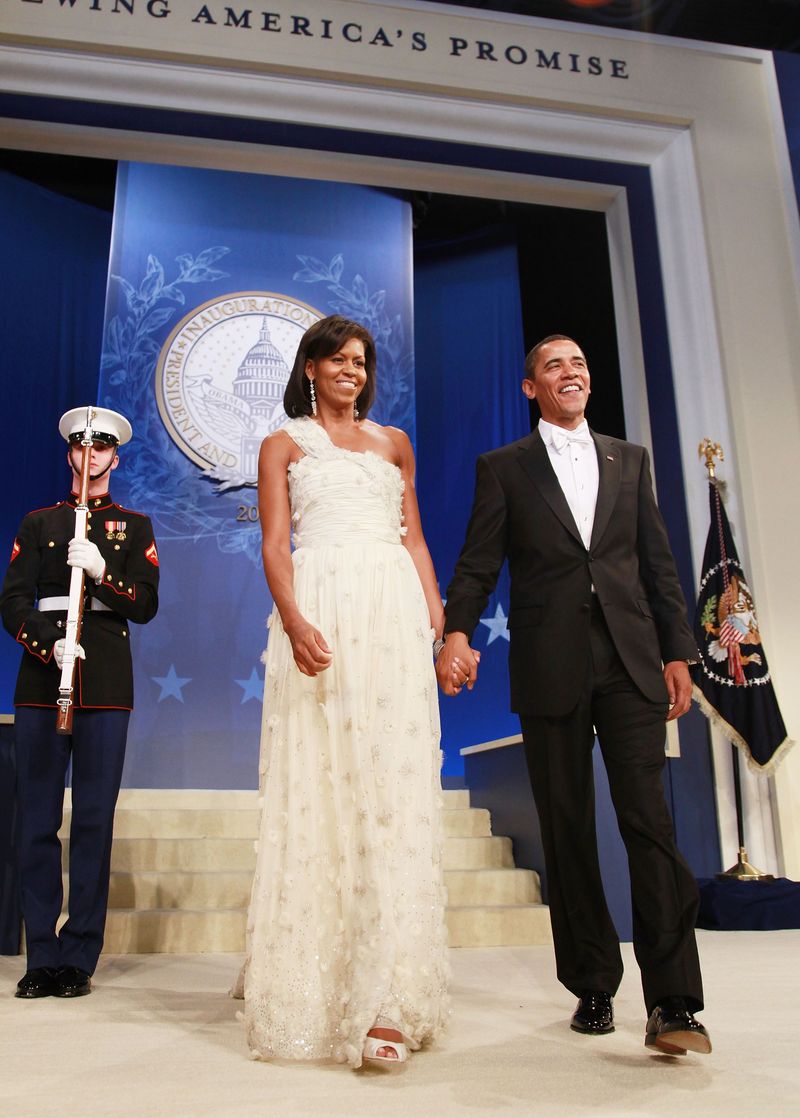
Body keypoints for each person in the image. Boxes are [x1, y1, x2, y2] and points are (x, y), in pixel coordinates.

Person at [436, 335, 711, 1057]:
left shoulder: (631, 460)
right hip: (550, 663)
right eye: (555, 365)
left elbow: (658, 564)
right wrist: (458, 634)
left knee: (649, 823)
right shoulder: (504, 468)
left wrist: (678, 651)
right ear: (531, 387)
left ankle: (675, 1002)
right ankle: (592, 982)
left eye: (581, 363)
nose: (572, 372)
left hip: (631, 660)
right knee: (567, 826)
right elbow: (477, 562)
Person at [233, 315, 449, 1068]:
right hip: (322, 601)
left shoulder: (394, 443)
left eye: (362, 361)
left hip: (391, 612)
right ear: (311, 368)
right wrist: (293, 619)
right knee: (324, 787)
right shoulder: (284, 445)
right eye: (339, 360)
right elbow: (274, 541)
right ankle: (318, 988)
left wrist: (439, 625)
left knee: (392, 791)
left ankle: (391, 993)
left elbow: (414, 537)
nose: (353, 371)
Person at [1, 407, 159, 999]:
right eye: (80, 448)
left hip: (106, 683)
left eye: (101, 450)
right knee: (37, 821)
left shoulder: (133, 528)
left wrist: (100, 573)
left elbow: (144, 604)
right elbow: (13, 602)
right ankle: (41, 953)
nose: (90, 457)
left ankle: (79, 956)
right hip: (44, 680)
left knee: (93, 820)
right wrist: (48, 645)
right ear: (70, 455)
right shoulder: (39, 522)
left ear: (115, 458)